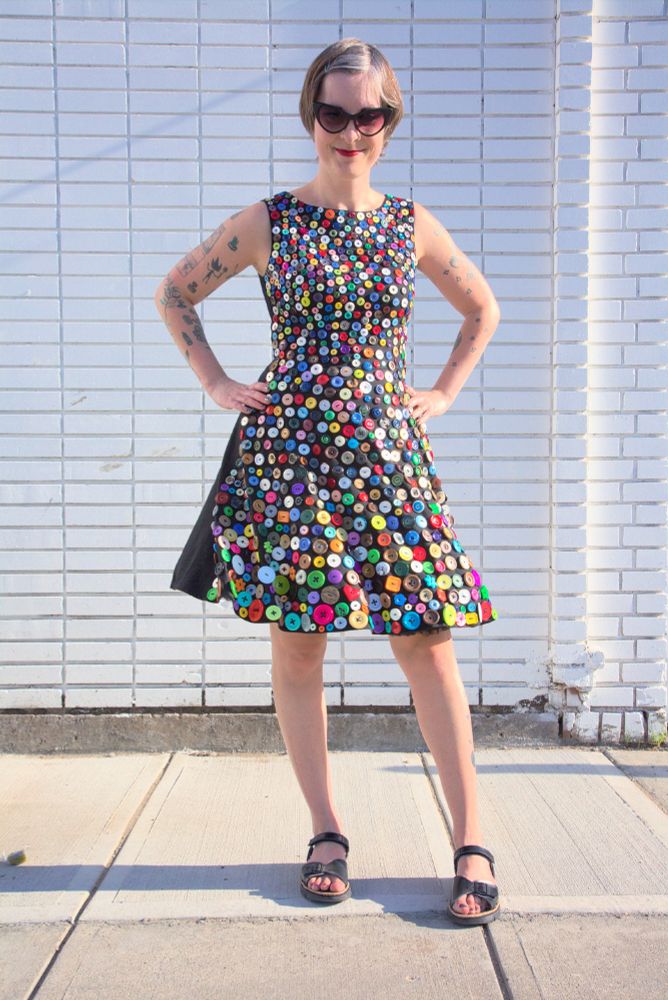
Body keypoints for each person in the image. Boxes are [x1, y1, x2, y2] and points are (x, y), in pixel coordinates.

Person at [154, 37, 501, 926]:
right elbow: (176, 293)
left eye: (369, 114)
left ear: (389, 122)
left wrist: (442, 393)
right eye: (335, 113)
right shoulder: (271, 221)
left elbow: (481, 308)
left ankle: (470, 839)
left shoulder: (410, 225)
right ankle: (326, 831)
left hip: (388, 458)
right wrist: (218, 383)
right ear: (312, 116)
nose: (351, 131)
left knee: (426, 642)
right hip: (293, 462)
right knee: (298, 649)